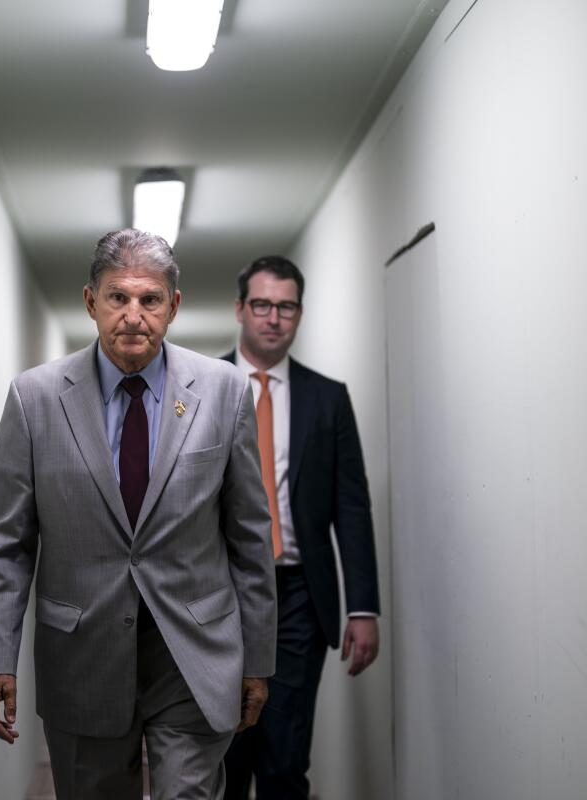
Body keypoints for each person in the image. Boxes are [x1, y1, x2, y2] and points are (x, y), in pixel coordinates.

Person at [0, 229, 278, 800]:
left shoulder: (223, 392)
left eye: (150, 300)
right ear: (91, 302)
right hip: (83, 654)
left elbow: (249, 537)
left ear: (173, 307)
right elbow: (3, 544)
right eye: (118, 298)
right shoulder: (35, 399)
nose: (133, 316)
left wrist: (258, 658)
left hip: (193, 651)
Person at [222, 255, 382, 800]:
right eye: (262, 305)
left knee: (284, 757)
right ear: (240, 309)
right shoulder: (200, 388)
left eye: (285, 307)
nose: (273, 317)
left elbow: (352, 506)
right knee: (223, 757)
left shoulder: (327, 398)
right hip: (217, 594)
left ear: (299, 314)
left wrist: (363, 607)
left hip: (296, 596)